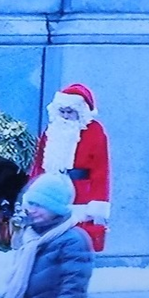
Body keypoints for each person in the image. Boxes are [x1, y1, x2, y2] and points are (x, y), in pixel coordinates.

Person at [30, 83, 111, 252]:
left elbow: (101, 170)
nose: (66, 116)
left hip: (80, 193)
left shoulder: (94, 130)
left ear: (80, 112)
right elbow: (38, 163)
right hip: (51, 189)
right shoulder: (51, 130)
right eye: (63, 111)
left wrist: (98, 202)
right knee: (50, 236)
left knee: (76, 238)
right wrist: (33, 189)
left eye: (70, 112)